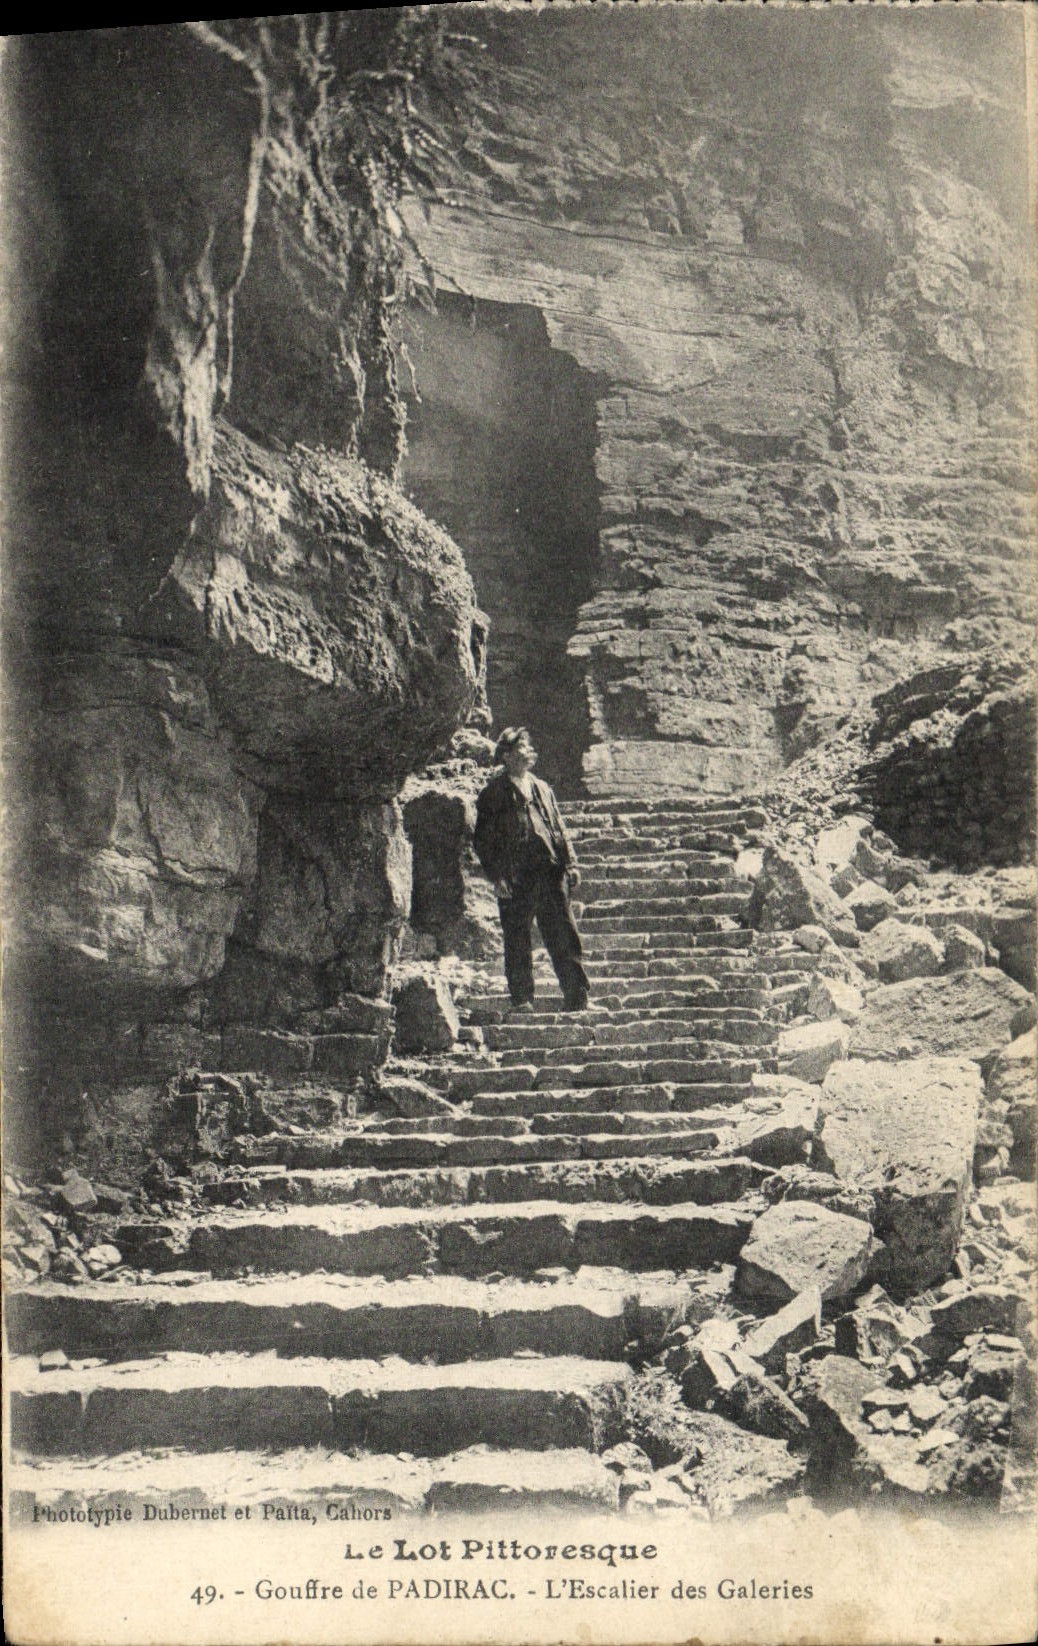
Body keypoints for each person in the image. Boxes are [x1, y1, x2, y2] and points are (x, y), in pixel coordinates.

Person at [473, 727, 591, 1014]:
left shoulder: (542, 787)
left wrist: (571, 863)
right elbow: (483, 840)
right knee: (517, 938)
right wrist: (496, 876)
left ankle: (577, 997)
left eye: (528, 746)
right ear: (508, 755)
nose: (530, 751)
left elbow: (558, 827)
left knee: (564, 934)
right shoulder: (493, 793)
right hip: (516, 876)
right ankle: (522, 1000)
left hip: (550, 873)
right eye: (523, 747)